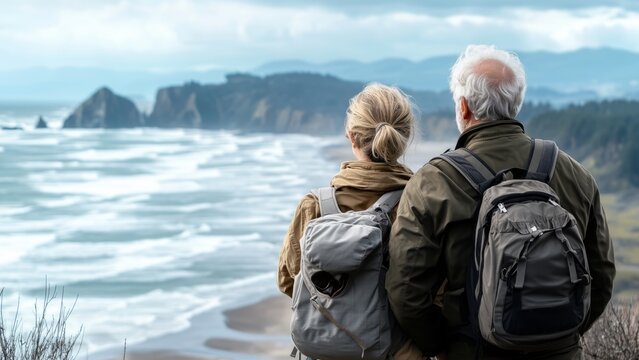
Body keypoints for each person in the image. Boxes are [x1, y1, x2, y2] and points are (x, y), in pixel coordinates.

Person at [386, 44, 616, 360]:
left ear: (463, 107)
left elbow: (406, 294)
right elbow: (601, 278)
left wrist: (447, 346)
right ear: (516, 103)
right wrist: (559, 337)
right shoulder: (575, 174)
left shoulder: (433, 182)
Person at [278, 83, 425, 359]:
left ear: (352, 137)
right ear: (405, 137)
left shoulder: (315, 205)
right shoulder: (418, 203)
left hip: (325, 351)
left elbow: (288, 281)